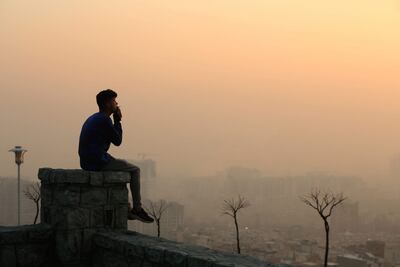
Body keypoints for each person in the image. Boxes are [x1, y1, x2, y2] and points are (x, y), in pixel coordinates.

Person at [78, 89, 154, 223]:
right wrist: (118, 121)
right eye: (114, 101)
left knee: (122, 164)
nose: (116, 103)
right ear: (108, 104)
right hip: (97, 162)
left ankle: (128, 208)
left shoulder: (94, 117)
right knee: (135, 170)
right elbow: (117, 141)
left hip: (88, 160)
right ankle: (137, 209)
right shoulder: (104, 119)